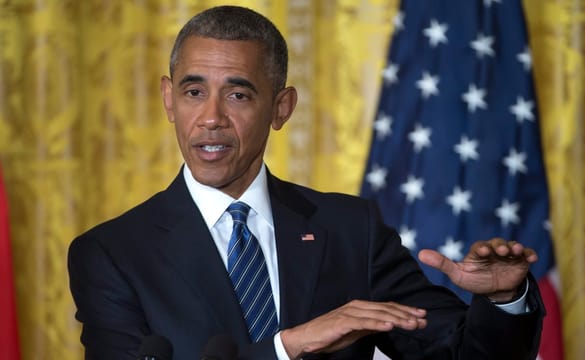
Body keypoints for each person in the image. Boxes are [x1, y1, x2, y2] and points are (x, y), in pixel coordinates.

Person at [68, 5, 545, 360]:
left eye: (238, 94)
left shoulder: (350, 229)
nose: (210, 118)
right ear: (169, 100)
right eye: (194, 92)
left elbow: (459, 355)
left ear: (281, 108)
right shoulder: (112, 253)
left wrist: (503, 301)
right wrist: (287, 346)